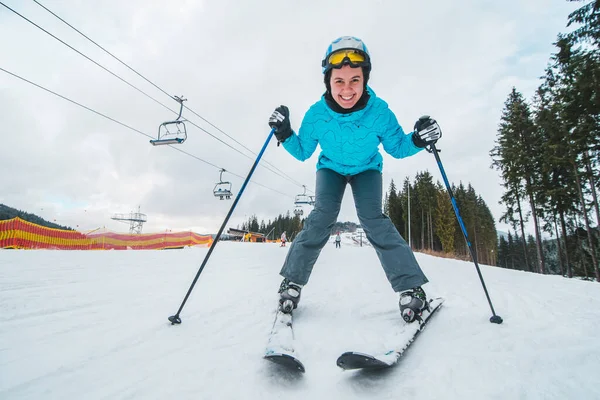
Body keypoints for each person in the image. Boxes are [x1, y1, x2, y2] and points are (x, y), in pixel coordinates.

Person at [268, 36, 442, 323]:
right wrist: (284, 133)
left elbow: (398, 147)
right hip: (331, 169)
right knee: (322, 216)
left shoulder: (380, 112)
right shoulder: (316, 116)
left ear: (365, 79)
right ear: (328, 81)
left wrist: (418, 139)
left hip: (366, 169)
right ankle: (292, 283)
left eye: (355, 80)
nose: (347, 89)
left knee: (373, 219)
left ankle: (412, 288)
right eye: (339, 81)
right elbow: (302, 152)